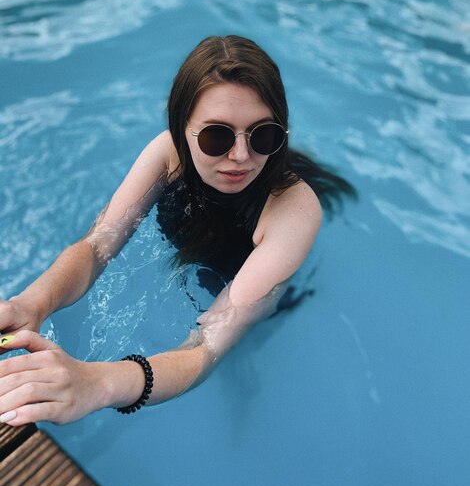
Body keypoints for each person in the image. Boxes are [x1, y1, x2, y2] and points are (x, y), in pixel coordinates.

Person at [0, 35, 354, 425]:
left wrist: (96, 382)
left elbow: (207, 346)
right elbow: (97, 247)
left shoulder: (293, 209)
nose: (240, 156)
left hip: (255, 279)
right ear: (181, 128)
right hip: (204, 246)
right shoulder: (169, 153)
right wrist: (31, 304)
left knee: (242, 350)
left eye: (262, 135)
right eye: (216, 136)